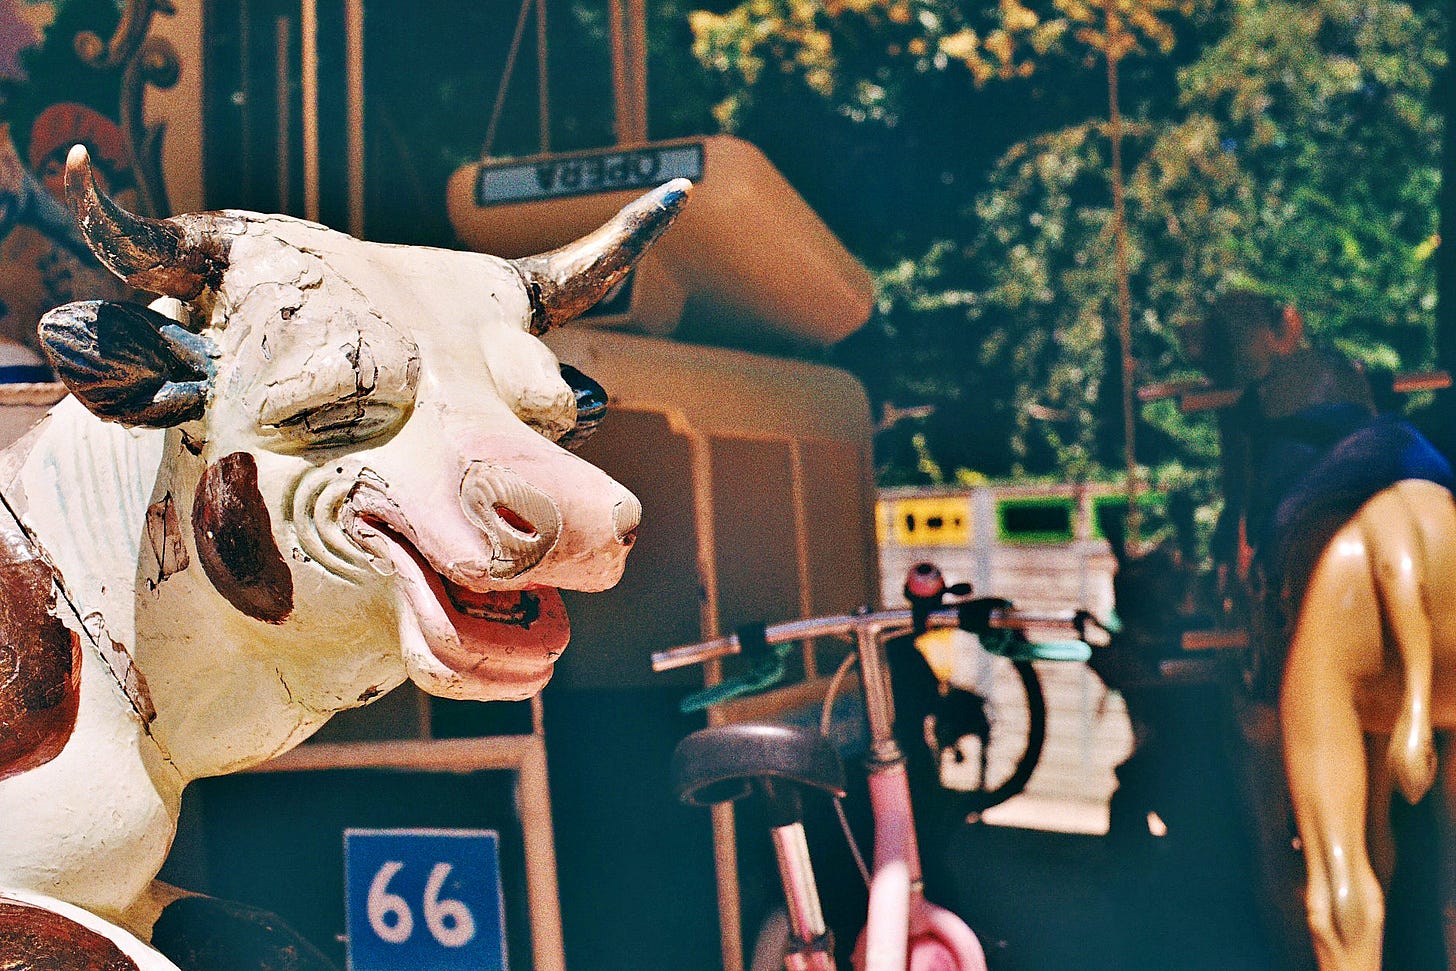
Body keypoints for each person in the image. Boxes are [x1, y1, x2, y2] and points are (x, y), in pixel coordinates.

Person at [1190, 289, 1453, 693]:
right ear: (1289, 325)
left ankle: (1267, 631)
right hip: (1391, 446)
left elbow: (1241, 495)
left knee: (1265, 539)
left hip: (1301, 465)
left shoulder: (1249, 406)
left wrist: (1233, 546)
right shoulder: (1349, 369)